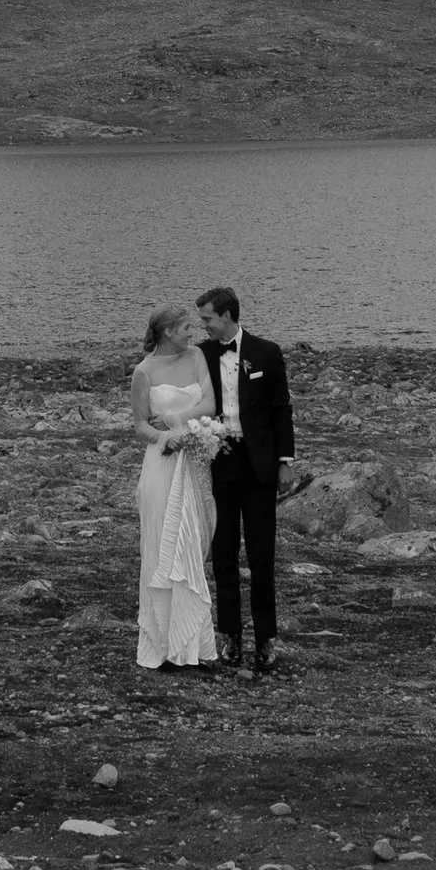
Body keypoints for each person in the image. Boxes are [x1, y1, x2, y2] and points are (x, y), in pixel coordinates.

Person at [197, 284, 294, 676]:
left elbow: (280, 409)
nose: (203, 326)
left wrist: (285, 461)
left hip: (258, 467)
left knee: (261, 555)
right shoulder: (201, 355)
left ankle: (267, 638)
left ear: (227, 316)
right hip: (218, 462)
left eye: (207, 318)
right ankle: (229, 635)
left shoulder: (266, 352)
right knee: (223, 555)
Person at [129, 301, 222, 669]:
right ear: (168, 331)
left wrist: (175, 421)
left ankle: (193, 645)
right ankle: (161, 645)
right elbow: (139, 425)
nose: (192, 333)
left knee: (194, 543)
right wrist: (166, 438)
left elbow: (211, 404)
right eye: (186, 327)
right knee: (160, 544)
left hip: (194, 459)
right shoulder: (143, 371)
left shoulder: (197, 356)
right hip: (162, 463)